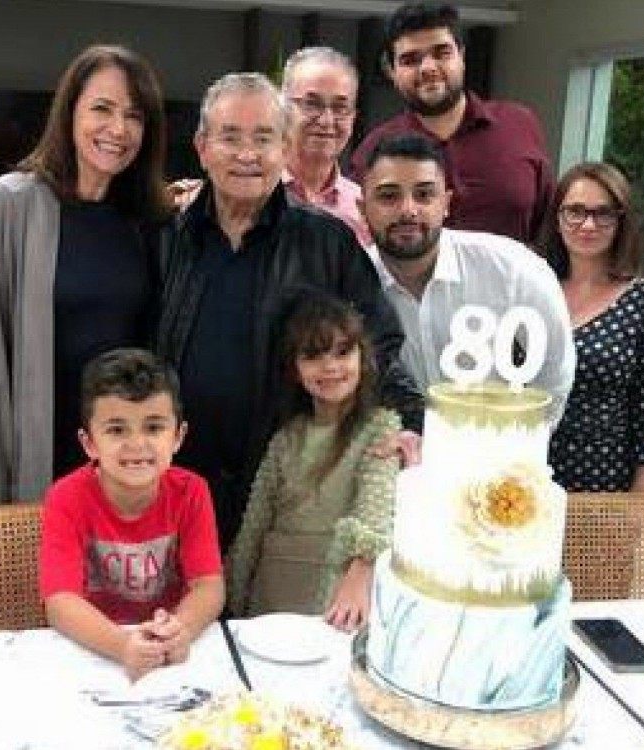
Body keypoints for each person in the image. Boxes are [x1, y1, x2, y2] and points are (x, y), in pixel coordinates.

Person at [156, 72, 423, 551]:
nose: (247, 154)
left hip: (292, 487)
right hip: (176, 482)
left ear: (284, 148)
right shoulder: (165, 240)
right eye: (230, 137)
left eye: (263, 138)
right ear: (201, 147)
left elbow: (378, 342)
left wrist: (407, 423)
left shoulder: (327, 242)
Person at [0, 45, 170, 503]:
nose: (118, 129)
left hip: (120, 468)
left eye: (134, 116)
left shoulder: (148, 221)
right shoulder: (10, 205)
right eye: (102, 109)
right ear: (69, 111)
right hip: (36, 464)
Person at [358, 134, 574, 424]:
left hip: (497, 445)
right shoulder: (352, 282)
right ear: (362, 208)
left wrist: (522, 443)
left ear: (446, 203)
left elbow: (555, 368)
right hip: (395, 448)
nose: (408, 209)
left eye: (424, 195)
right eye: (388, 196)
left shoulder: (512, 269)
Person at [39, 348, 224, 681]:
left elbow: (209, 586)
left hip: (168, 647)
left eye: (153, 428)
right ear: (89, 443)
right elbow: (60, 602)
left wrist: (181, 629)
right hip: (94, 646)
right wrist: (122, 645)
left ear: (178, 437)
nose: (137, 444)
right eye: (116, 430)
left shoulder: (192, 491)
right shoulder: (65, 497)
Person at [225, 293, 398, 632]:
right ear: (295, 368)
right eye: (314, 355)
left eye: (343, 352)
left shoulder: (381, 429)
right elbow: (254, 527)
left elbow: (376, 510)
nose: (330, 367)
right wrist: (231, 593)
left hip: (338, 598)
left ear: (363, 357)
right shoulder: (285, 437)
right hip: (269, 596)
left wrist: (361, 570)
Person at [349, 1, 553, 244]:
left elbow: (549, 225)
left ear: (461, 56)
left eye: (441, 53)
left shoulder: (518, 126)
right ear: (392, 71)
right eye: (411, 59)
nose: (428, 68)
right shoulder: (374, 149)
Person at [535, 162, 644, 492]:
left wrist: (642, 493)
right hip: (526, 473)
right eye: (575, 211)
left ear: (620, 222)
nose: (588, 224)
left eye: (603, 213)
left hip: (600, 483)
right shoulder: (533, 290)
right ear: (557, 218)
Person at [280, 46, 371, 247]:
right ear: (283, 109)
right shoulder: (250, 193)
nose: (326, 120)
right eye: (312, 104)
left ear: (353, 117)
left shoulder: (363, 208)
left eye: (340, 107)